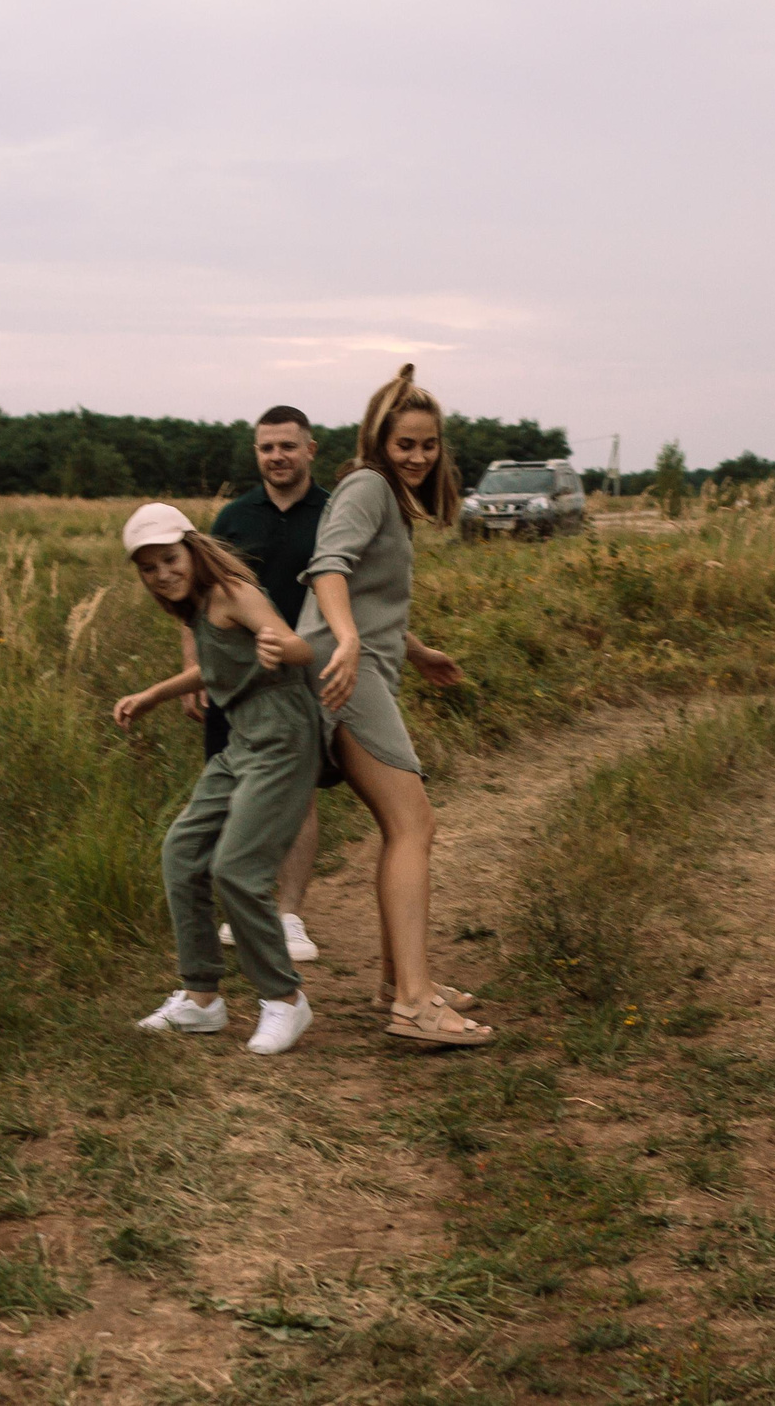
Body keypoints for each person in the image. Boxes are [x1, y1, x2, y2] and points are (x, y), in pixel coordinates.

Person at [300, 365, 491, 1046]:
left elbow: (370, 596)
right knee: (414, 823)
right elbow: (328, 566)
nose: (417, 456)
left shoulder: (387, 496)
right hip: (342, 676)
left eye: (428, 444)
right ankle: (413, 1002)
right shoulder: (366, 485)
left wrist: (413, 648)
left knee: (402, 825)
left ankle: (399, 981)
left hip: (363, 668)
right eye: (405, 443)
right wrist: (348, 638)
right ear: (379, 439)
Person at [111, 504, 321, 1055]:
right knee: (181, 852)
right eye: (149, 568)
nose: (162, 574)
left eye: (170, 560)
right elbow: (219, 665)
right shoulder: (196, 607)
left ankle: (285, 1000)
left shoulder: (231, 591)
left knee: (236, 869)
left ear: (192, 549)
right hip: (242, 741)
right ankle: (202, 999)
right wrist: (155, 694)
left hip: (282, 737)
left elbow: (301, 646)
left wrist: (285, 647)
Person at [188, 407, 330, 964]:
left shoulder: (333, 514)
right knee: (230, 789)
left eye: (287, 446)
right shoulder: (232, 518)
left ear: (310, 449)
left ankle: (290, 916)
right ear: (256, 453)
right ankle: (244, 910)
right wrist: (194, 679)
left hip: (304, 677)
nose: (277, 457)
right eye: (267, 448)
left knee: (298, 793)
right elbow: (195, 603)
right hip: (235, 684)